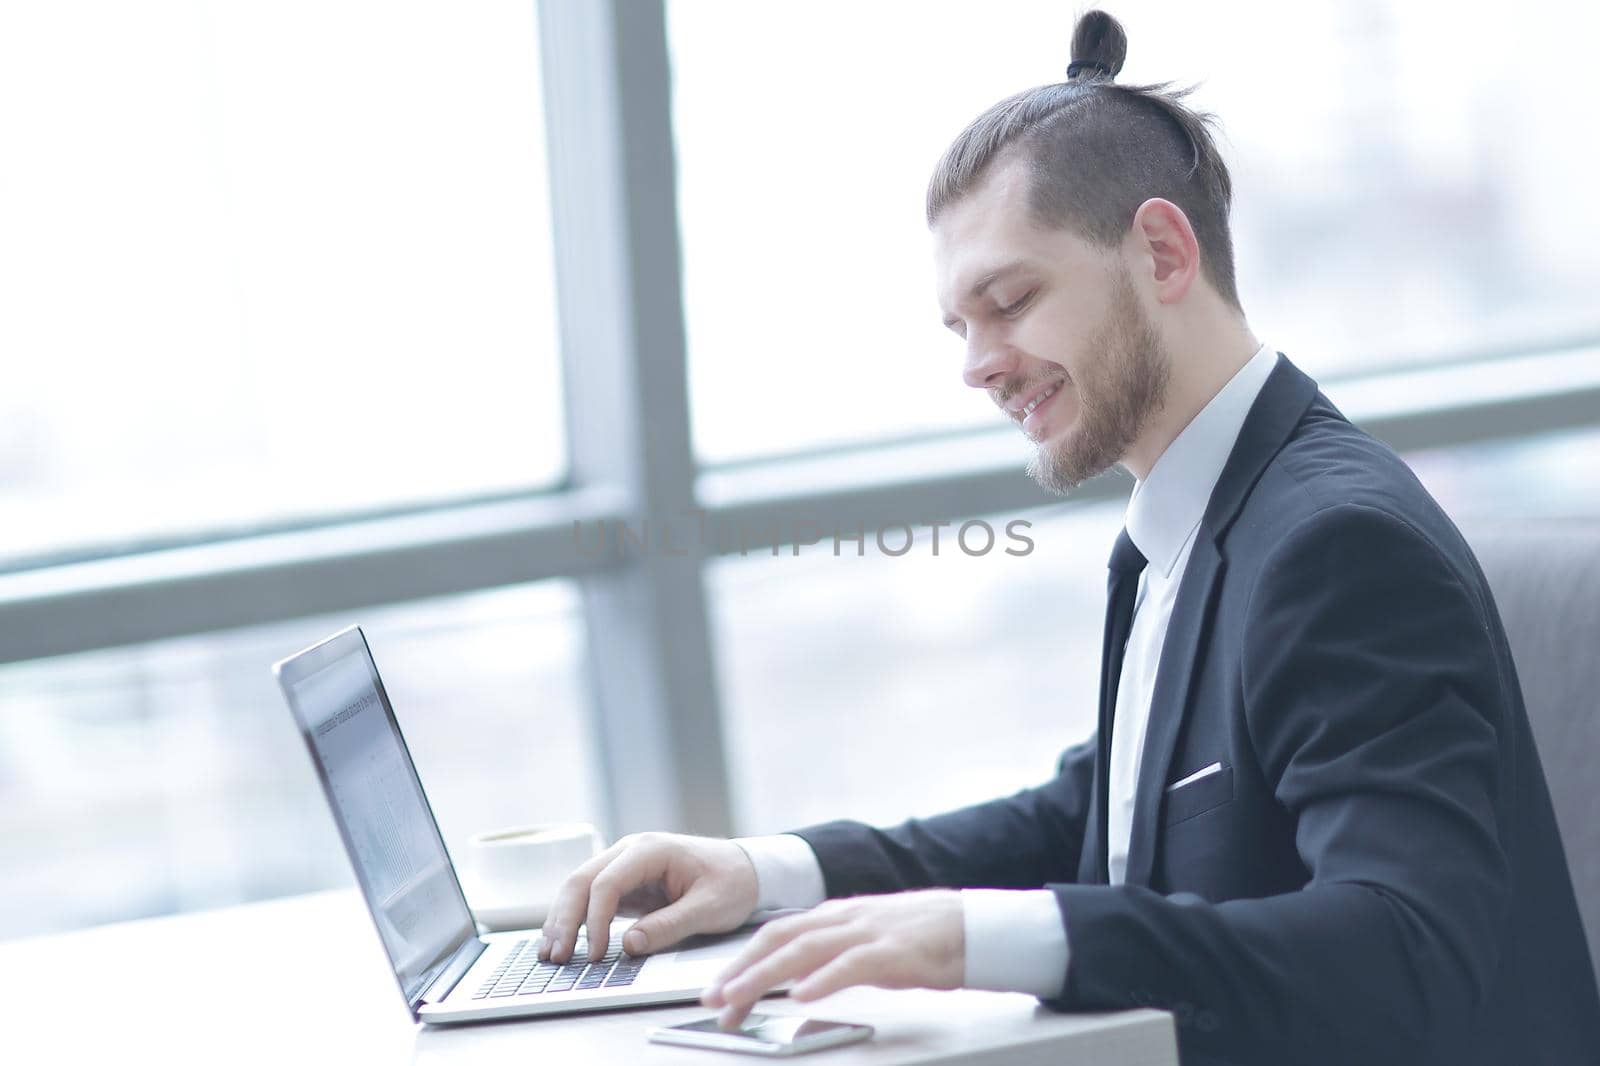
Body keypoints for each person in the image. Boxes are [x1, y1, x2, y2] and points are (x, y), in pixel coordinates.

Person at [535, 10, 1600, 1064]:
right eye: (960, 325)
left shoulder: (1335, 546)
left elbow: (1405, 950)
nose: (978, 364)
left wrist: (979, 941)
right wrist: (771, 871)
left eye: (1009, 300)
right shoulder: (1189, 523)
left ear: (1161, 252)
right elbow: (1104, 811)